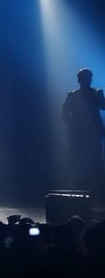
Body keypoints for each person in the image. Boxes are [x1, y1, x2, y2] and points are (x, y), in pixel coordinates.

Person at [62, 68, 105, 202]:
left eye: (87, 78)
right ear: (81, 80)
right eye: (85, 78)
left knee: (93, 163)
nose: (86, 80)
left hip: (89, 133)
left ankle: (98, 193)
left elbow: (104, 107)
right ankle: (75, 191)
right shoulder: (73, 95)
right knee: (77, 162)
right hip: (81, 134)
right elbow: (64, 114)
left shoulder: (94, 93)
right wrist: (73, 127)